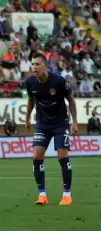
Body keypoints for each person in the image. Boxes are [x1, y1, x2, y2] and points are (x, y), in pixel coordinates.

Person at [25, 53, 78, 206]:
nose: (34, 67)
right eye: (32, 64)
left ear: (45, 66)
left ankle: (66, 195)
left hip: (61, 123)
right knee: (36, 156)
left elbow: (71, 101)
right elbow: (31, 100)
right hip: (42, 123)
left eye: (37, 64)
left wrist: (74, 122)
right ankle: (42, 195)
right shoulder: (30, 82)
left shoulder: (59, 81)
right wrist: (27, 118)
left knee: (62, 156)